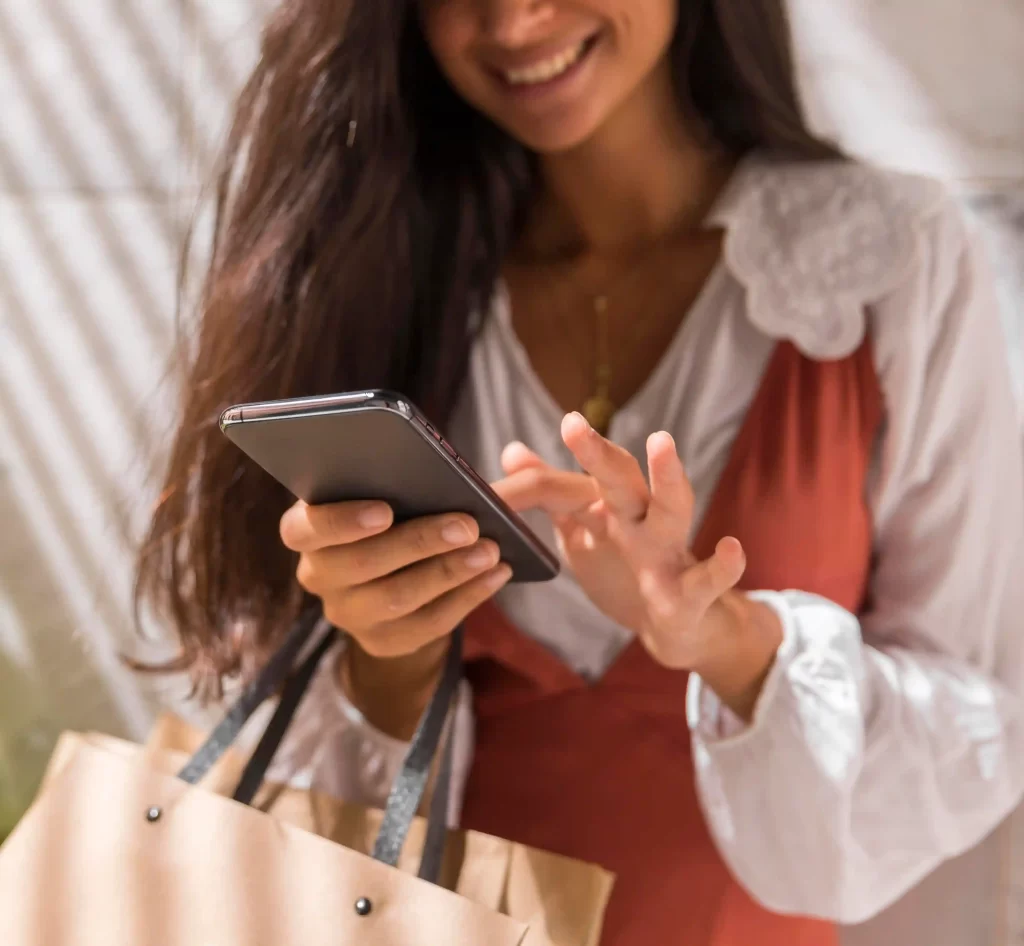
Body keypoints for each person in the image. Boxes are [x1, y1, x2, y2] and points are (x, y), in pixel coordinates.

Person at [136, 0, 1024, 943]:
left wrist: (732, 642)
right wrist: (389, 652)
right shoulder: (377, 281)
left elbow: (980, 718)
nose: (515, 21)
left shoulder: (889, 263)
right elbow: (331, 823)